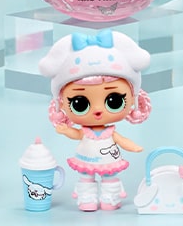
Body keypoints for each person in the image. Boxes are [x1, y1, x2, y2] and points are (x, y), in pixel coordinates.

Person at [38, 29, 151, 211]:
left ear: (132, 99)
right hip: (86, 159)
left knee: (110, 179)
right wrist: (66, 130)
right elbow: (77, 134)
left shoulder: (110, 132)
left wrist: (132, 146)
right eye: (80, 103)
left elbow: (121, 140)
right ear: (62, 104)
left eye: (113, 101)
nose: (98, 110)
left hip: (109, 161)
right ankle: (87, 198)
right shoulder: (85, 131)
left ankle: (110, 199)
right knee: (86, 179)